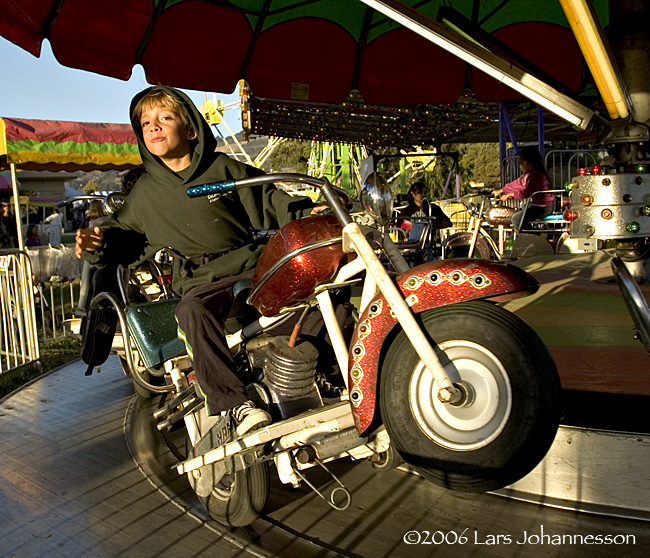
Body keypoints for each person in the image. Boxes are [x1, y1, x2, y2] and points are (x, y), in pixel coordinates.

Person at [76, 86, 320, 437]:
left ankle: (331, 374)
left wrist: (312, 213)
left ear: (191, 129)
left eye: (165, 118)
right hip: (203, 282)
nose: (154, 126)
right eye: (146, 123)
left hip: (254, 266)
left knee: (323, 288)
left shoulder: (223, 167)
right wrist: (99, 243)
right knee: (190, 310)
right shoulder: (145, 193)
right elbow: (124, 236)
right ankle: (235, 405)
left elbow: (272, 201)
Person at [491, 146, 554, 231]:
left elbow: (527, 192)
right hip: (536, 205)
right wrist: (501, 190)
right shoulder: (528, 176)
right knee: (520, 210)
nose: (520, 166)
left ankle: (535, 236)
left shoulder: (537, 176)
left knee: (516, 219)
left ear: (531, 164)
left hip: (543, 207)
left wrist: (511, 194)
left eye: (522, 164)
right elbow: (517, 184)